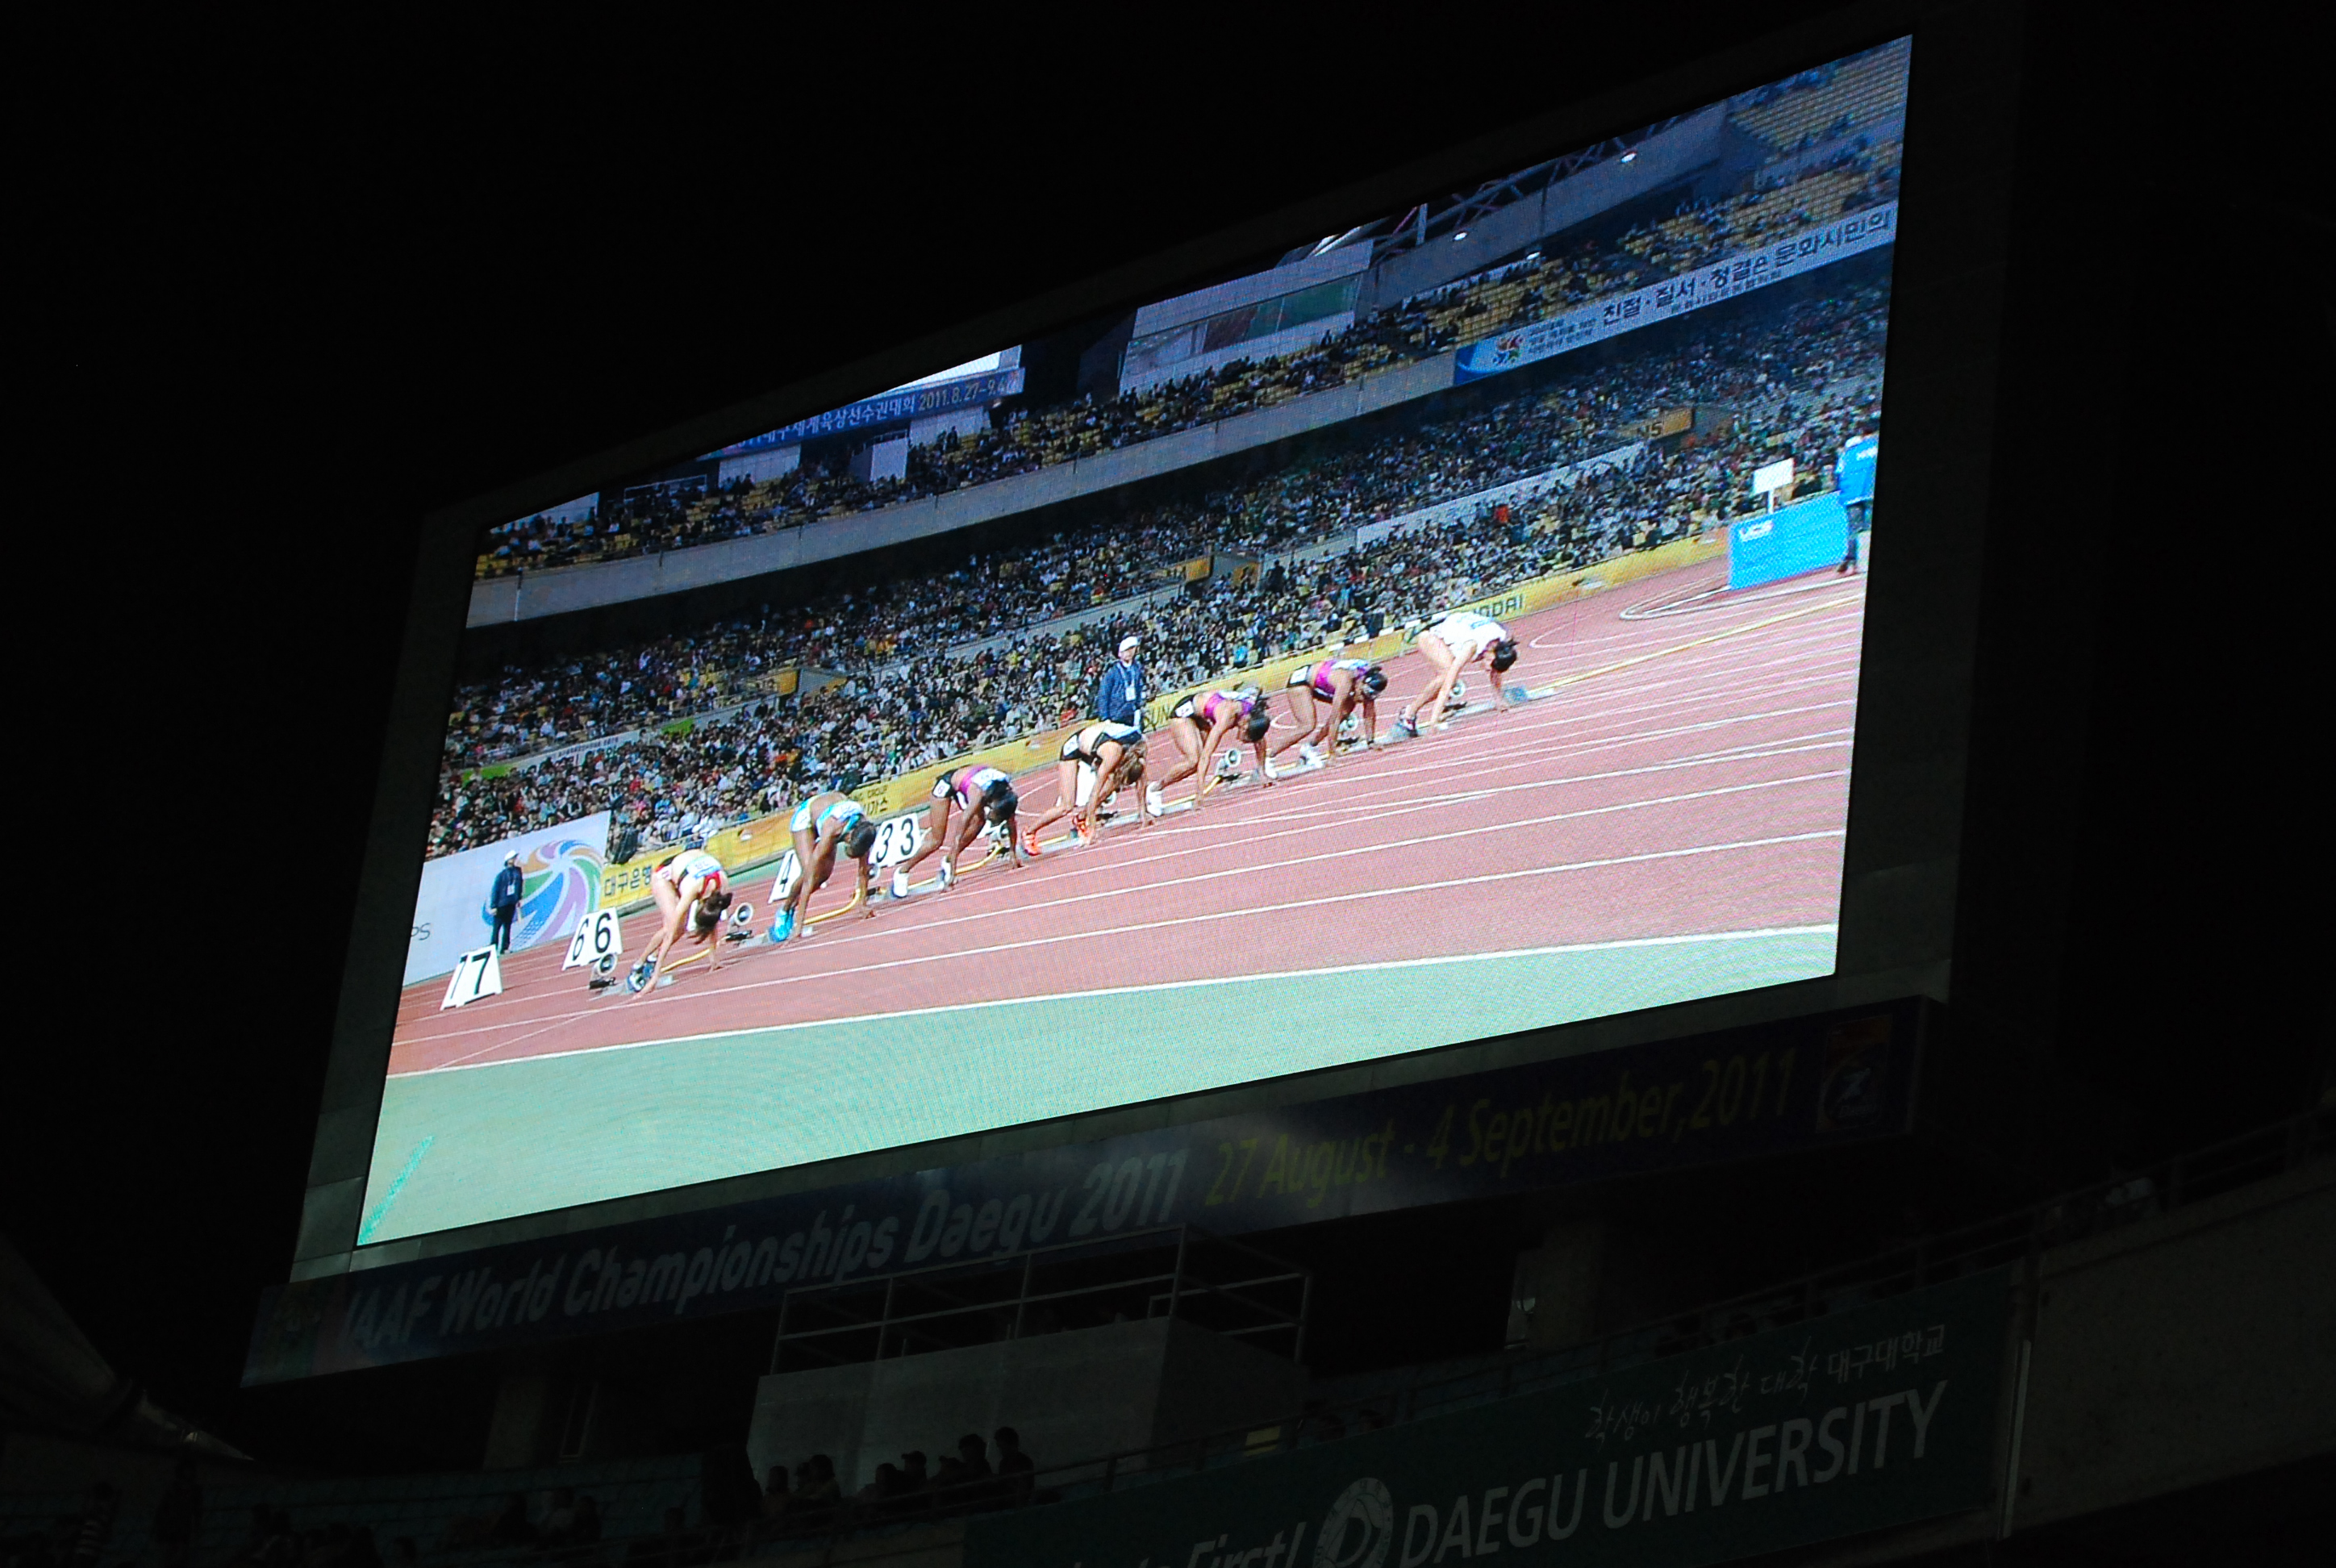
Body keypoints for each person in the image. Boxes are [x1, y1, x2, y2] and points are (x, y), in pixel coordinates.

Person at [890, 765, 1024, 897]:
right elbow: (958, 834)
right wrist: (952, 872)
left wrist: (1012, 852)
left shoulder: (1008, 795)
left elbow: (1011, 821)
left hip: (969, 782)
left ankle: (948, 860)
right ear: (993, 803)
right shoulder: (978, 794)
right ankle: (902, 872)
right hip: (948, 784)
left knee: (979, 823)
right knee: (936, 841)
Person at [1020, 721, 1147, 854]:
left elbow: (1142, 779)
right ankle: (1029, 832)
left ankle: (1081, 817)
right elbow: (1094, 793)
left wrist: (1143, 813)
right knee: (1066, 806)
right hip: (1074, 747)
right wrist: (1092, 829)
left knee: (1111, 786)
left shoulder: (1140, 748)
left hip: (1097, 744)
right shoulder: (1112, 755)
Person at [771, 791, 877, 943]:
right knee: (810, 871)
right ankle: (785, 910)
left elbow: (863, 870)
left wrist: (863, 905)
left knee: (824, 876)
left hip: (830, 811)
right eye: (848, 843)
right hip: (806, 819)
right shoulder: (832, 829)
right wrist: (798, 927)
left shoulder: (866, 830)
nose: (846, 844)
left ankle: (792, 906)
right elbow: (808, 879)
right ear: (849, 835)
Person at [1397, 611, 1519, 735]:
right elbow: (1447, 684)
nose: (1488, 669)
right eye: (1490, 664)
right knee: (1446, 675)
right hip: (1431, 636)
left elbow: (1496, 671)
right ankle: (1408, 713)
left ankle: (1442, 707)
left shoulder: (1502, 640)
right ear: (1492, 652)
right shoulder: (1472, 645)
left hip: (1455, 630)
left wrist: (1499, 699)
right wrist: (1434, 721)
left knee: (1450, 676)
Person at [1149, 690, 1274, 808]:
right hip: (1184, 714)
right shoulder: (1227, 717)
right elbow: (1206, 755)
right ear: (1244, 726)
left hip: (1204, 717)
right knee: (1194, 761)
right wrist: (1200, 794)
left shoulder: (1254, 716)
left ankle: (1157, 788)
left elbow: (1260, 740)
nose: (1241, 741)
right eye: (1245, 739)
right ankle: (1155, 789)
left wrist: (1262, 772)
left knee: (1196, 765)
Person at [631, 847, 732, 990]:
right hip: (664, 877)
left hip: (686, 868)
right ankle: (638, 966)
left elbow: (713, 919)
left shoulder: (722, 888)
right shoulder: (692, 890)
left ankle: (652, 959)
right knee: (673, 928)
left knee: (680, 929)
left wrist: (714, 958)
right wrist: (655, 978)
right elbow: (669, 936)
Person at [1274, 658, 1387, 763]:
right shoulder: (1345, 682)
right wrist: (1332, 754)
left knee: (1345, 711)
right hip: (1302, 682)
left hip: (1320, 684)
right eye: (1362, 694)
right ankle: (1270, 757)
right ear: (1361, 682)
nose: (1362, 699)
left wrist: (1371, 742)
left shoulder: (1368, 680)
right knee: (1308, 726)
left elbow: (1369, 713)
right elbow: (1334, 719)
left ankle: (1311, 746)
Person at [1095, 636, 1147, 727]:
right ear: (1120, 654)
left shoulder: (1136, 669)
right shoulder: (1112, 672)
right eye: (1126, 651)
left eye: (1131, 650)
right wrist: (1105, 717)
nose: (1129, 653)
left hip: (1132, 712)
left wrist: (1139, 707)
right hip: (1116, 715)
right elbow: (1104, 694)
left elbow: (1139, 688)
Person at [489, 851, 524, 952]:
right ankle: (493, 948)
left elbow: (519, 886)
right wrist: (494, 906)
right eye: (512, 858)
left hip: (511, 903)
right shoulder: (502, 875)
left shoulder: (517, 872)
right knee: (497, 928)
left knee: (507, 927)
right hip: (501, 904)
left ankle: (505, 948)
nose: (514, 860)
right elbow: (496, 890)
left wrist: (518, 898)